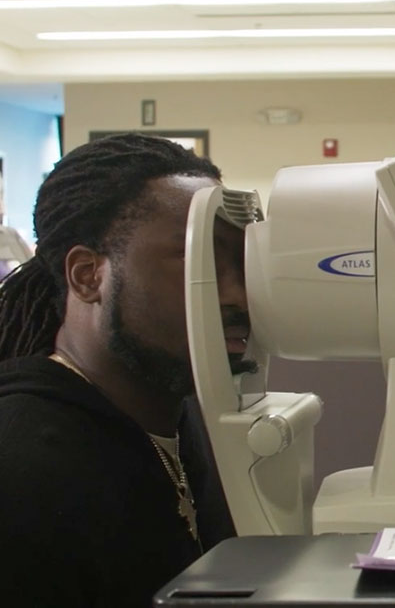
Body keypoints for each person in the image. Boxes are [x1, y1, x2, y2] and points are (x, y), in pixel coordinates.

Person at [0, 133, 246, 607]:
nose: (238, 295)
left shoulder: (181, 411)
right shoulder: (21, 471)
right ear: (88, 275)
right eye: (200, 259)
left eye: (241, 260)